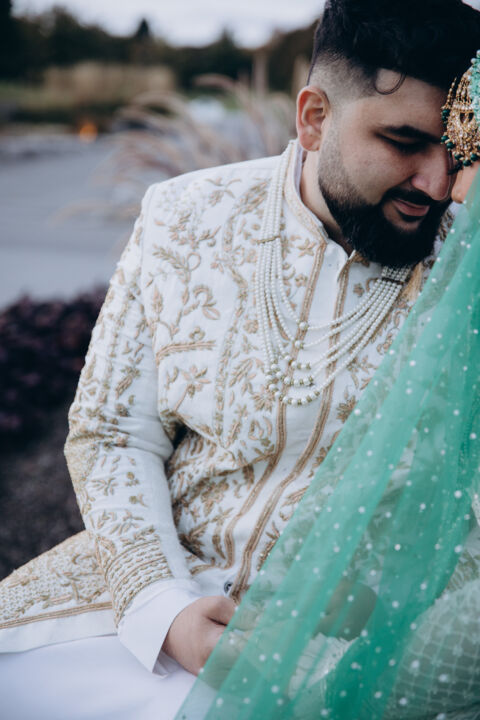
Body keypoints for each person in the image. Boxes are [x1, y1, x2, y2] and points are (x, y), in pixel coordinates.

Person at [1, 2, 480, 718]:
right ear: (314, 118)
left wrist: (372, 634)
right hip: (136, 615)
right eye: (404, 141)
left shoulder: (466, 272)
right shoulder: (184, 215)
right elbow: (111, 432)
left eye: (459, 150)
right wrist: (163, 609)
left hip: (342, 661)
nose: (437, 184)